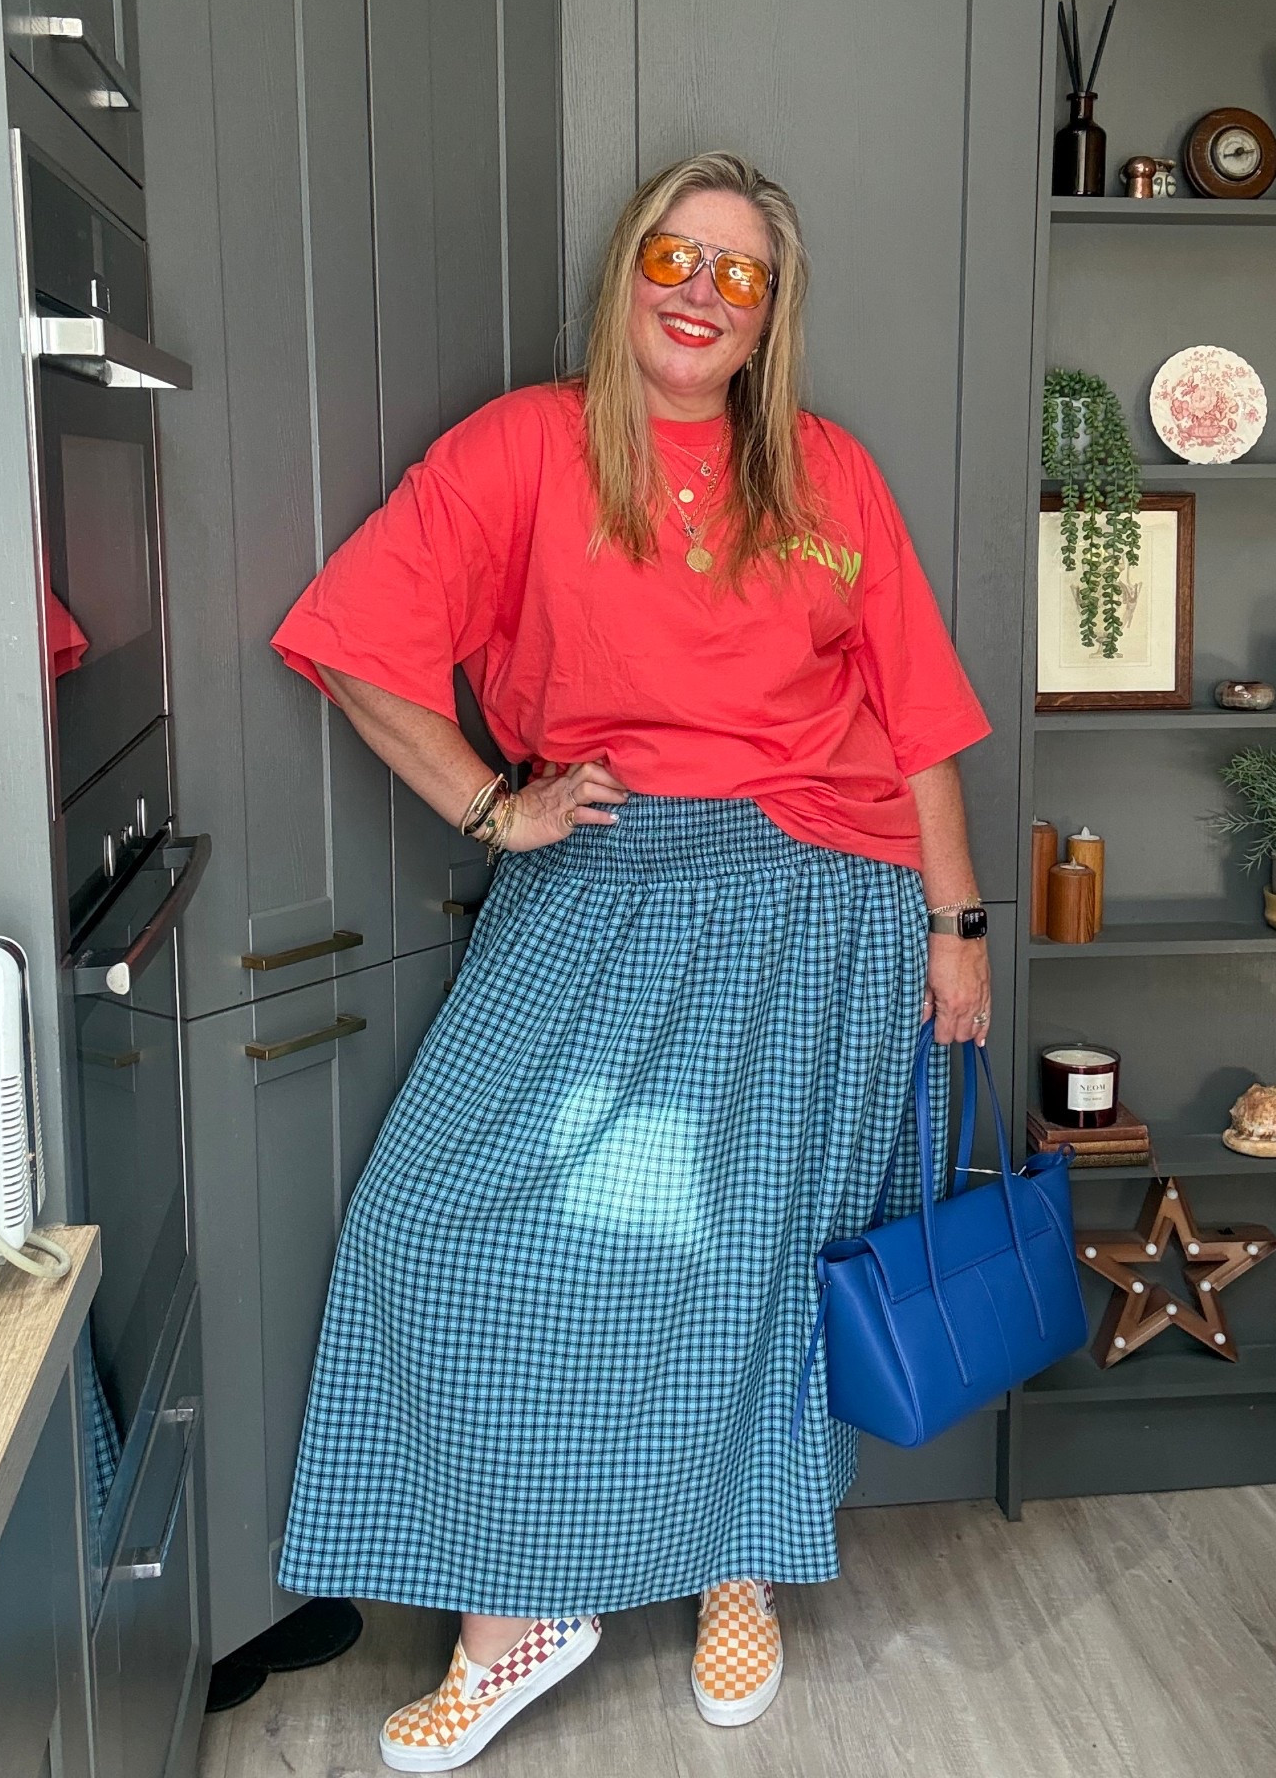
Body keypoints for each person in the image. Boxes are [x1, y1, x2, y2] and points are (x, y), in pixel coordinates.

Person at [270, 150, 992, 1771]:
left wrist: (957, 929)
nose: (701, 291)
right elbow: (343, 635)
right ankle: (519, 1607)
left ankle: (743, 1568)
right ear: (630, 271)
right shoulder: (524, 447)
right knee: (431, 1229)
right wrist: (488, 805)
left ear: (768, 319)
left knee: (745, 1253)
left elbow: (924, 717)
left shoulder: (826, 475)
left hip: (820, 891)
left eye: (741, 275)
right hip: (603, 873)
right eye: (680, 254)